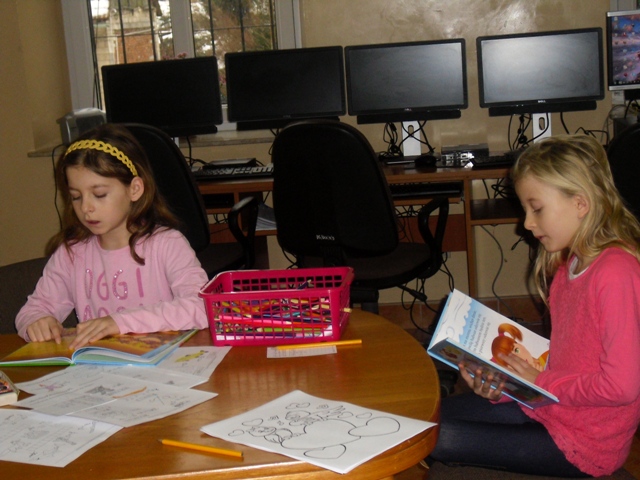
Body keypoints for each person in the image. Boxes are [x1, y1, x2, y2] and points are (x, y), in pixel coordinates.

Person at [428, 135, 640, 477]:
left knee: (439, 438)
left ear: (580, 203)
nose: (526, 223)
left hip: (586, 441)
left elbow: (622, 386)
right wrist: (502, 386)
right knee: (429, 417)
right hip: (549, 409)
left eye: (536, 208)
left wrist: (543, 381)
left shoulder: (615, 272)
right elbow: (563, 362)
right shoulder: (568, 266)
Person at [15, 124, 209, 350]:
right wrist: (37, 321)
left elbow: (202, 307)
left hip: (164, 363)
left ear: (134, 189)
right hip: (101, 366)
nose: (85, 207)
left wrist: (119, 322)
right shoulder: (72, 253)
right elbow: (32, 310)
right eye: (76, 197)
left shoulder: (167, 244)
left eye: (99, 194)